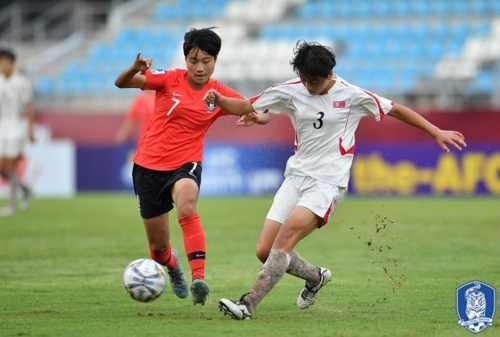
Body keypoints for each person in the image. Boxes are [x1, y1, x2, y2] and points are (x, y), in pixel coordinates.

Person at [203, 40, 467, 320]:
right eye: (303, 79)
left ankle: (247, 304)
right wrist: (221, 102)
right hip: (296, 177)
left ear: (329, 75)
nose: (307, 86)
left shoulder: (351, 95)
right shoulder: (290, 91)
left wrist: (435, 130)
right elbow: (246, 105)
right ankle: (316, 277)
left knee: (284, 241)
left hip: (327, 183)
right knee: (265, 250)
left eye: (313, 81)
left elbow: (397, 109)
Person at [114, 27, 249, 305]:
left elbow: (248, 107)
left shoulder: (218, 93)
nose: (200, 68)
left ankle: (199, 277)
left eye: (207, 61)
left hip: (186, 163)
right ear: (185, 59)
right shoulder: (169, 79)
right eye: (194, 61)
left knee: (187, 204)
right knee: (158, 248)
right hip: (147, 167)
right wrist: (134, 68)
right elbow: (121, 83)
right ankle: (172, 266)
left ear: (216, 60)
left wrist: (255, 117)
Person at [0, 48, 34, 217]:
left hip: (16, 126)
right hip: (1, 127)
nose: (3, 65)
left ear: (12, 63)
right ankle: (25, 189)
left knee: (7, 165)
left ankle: (11, 205)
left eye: (5, 62)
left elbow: (28, 106)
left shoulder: (21, 81)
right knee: (3, 168)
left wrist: (31, 129)